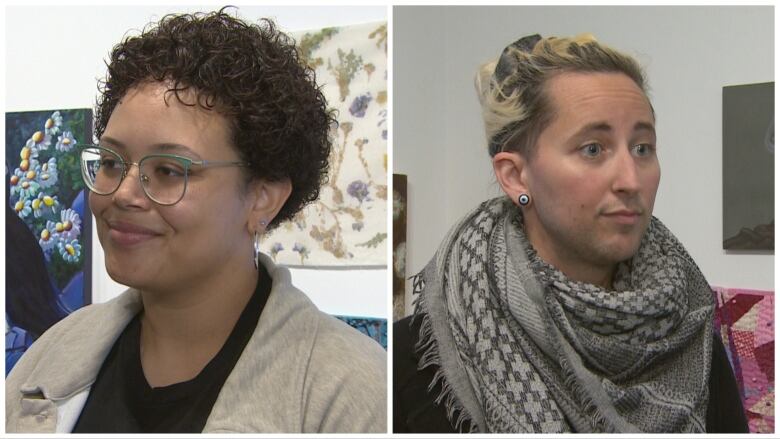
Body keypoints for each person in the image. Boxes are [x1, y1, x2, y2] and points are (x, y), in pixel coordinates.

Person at [6, 9, 386, 433]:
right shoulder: (50, 357)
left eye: (169, 171)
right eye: (112, 162)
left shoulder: (350, 394)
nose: (123, 193)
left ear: (263, 197)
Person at [393, 34, 747, 433]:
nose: (630, 179)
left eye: (643, 148)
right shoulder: (422, 358)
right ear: (515, 175)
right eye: (593, 149)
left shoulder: (688, 327)